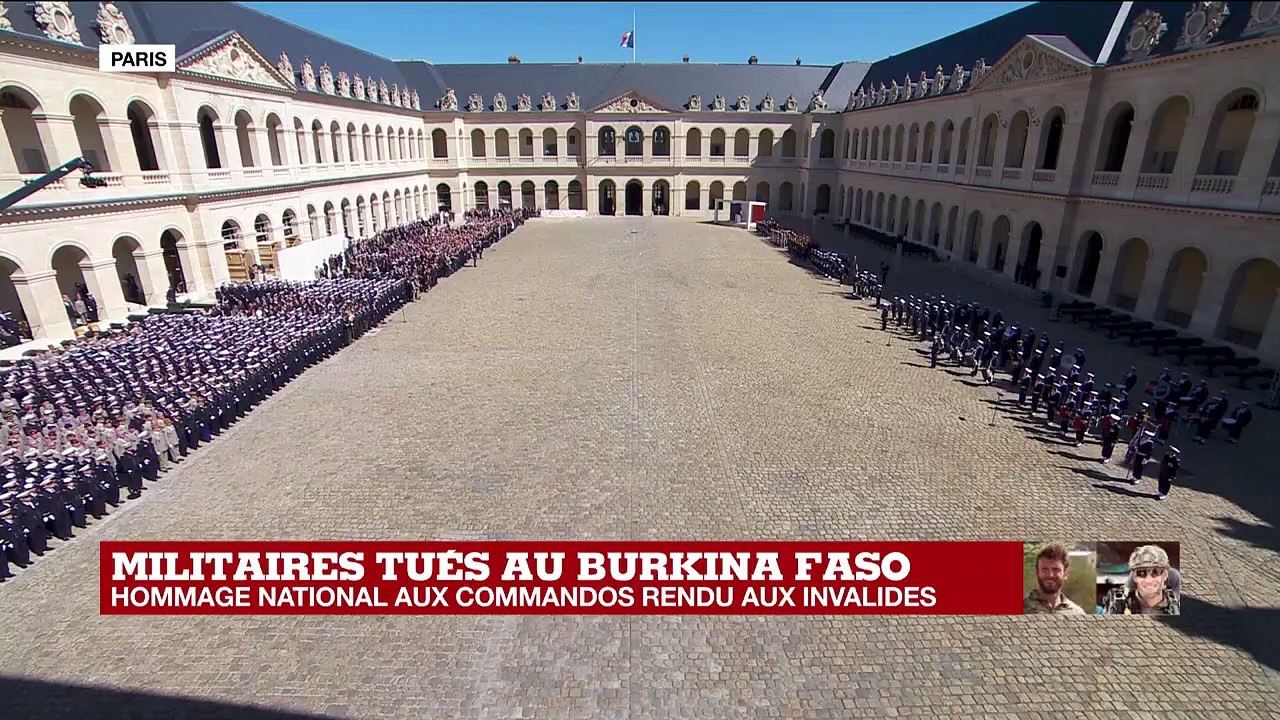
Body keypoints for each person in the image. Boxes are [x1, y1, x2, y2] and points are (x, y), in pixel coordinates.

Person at [1102, 545, 1180, 615]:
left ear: (1165, 574)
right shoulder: (1117, 607)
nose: (1149, 580)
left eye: (1156, 572)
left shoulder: (1178, 606)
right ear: (1134, 576)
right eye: (1141, 573)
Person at [1023, 543, 1087, 614]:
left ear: (1065, 574)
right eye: (1044, 569)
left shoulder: (1077, 613)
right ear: (1037, 572)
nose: (1050, 575)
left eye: (1056, 570)